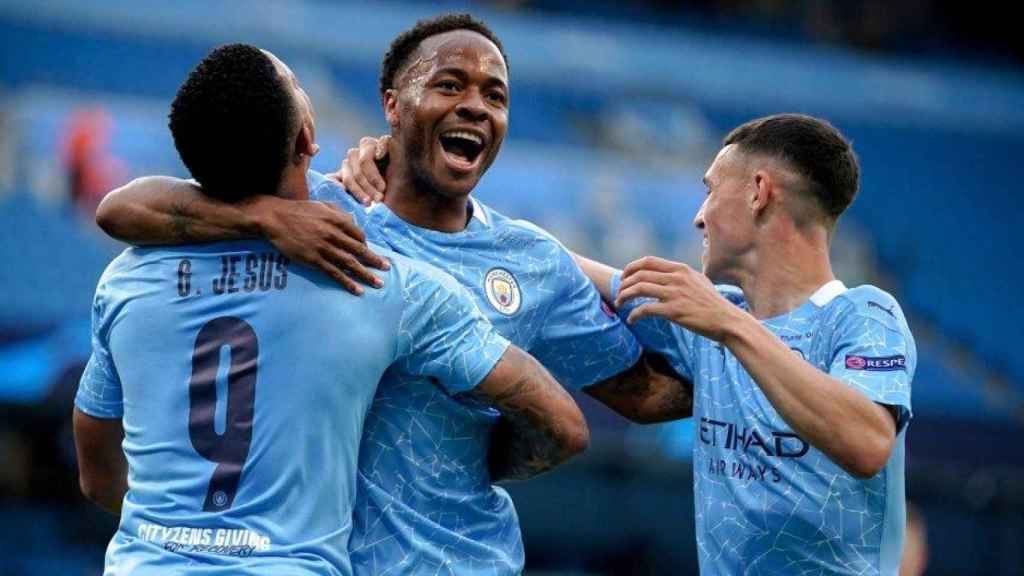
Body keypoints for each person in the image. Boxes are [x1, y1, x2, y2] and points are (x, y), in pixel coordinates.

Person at [94, 14, 694, 575]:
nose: (476, 107)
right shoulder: (318, 209)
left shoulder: (532, 263)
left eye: (496, 95)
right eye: (450, 85)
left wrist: (484, 459)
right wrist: (266, 218)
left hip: (455, 559)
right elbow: (123, 208)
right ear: (392, 106)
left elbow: (642, 397)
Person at [577, 113, 916, 575]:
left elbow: (867, 442)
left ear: (758, 191)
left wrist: (730, 324)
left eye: (710, 189)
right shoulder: (713, 313)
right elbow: (573, 273)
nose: (699, 217)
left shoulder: (865, 315)